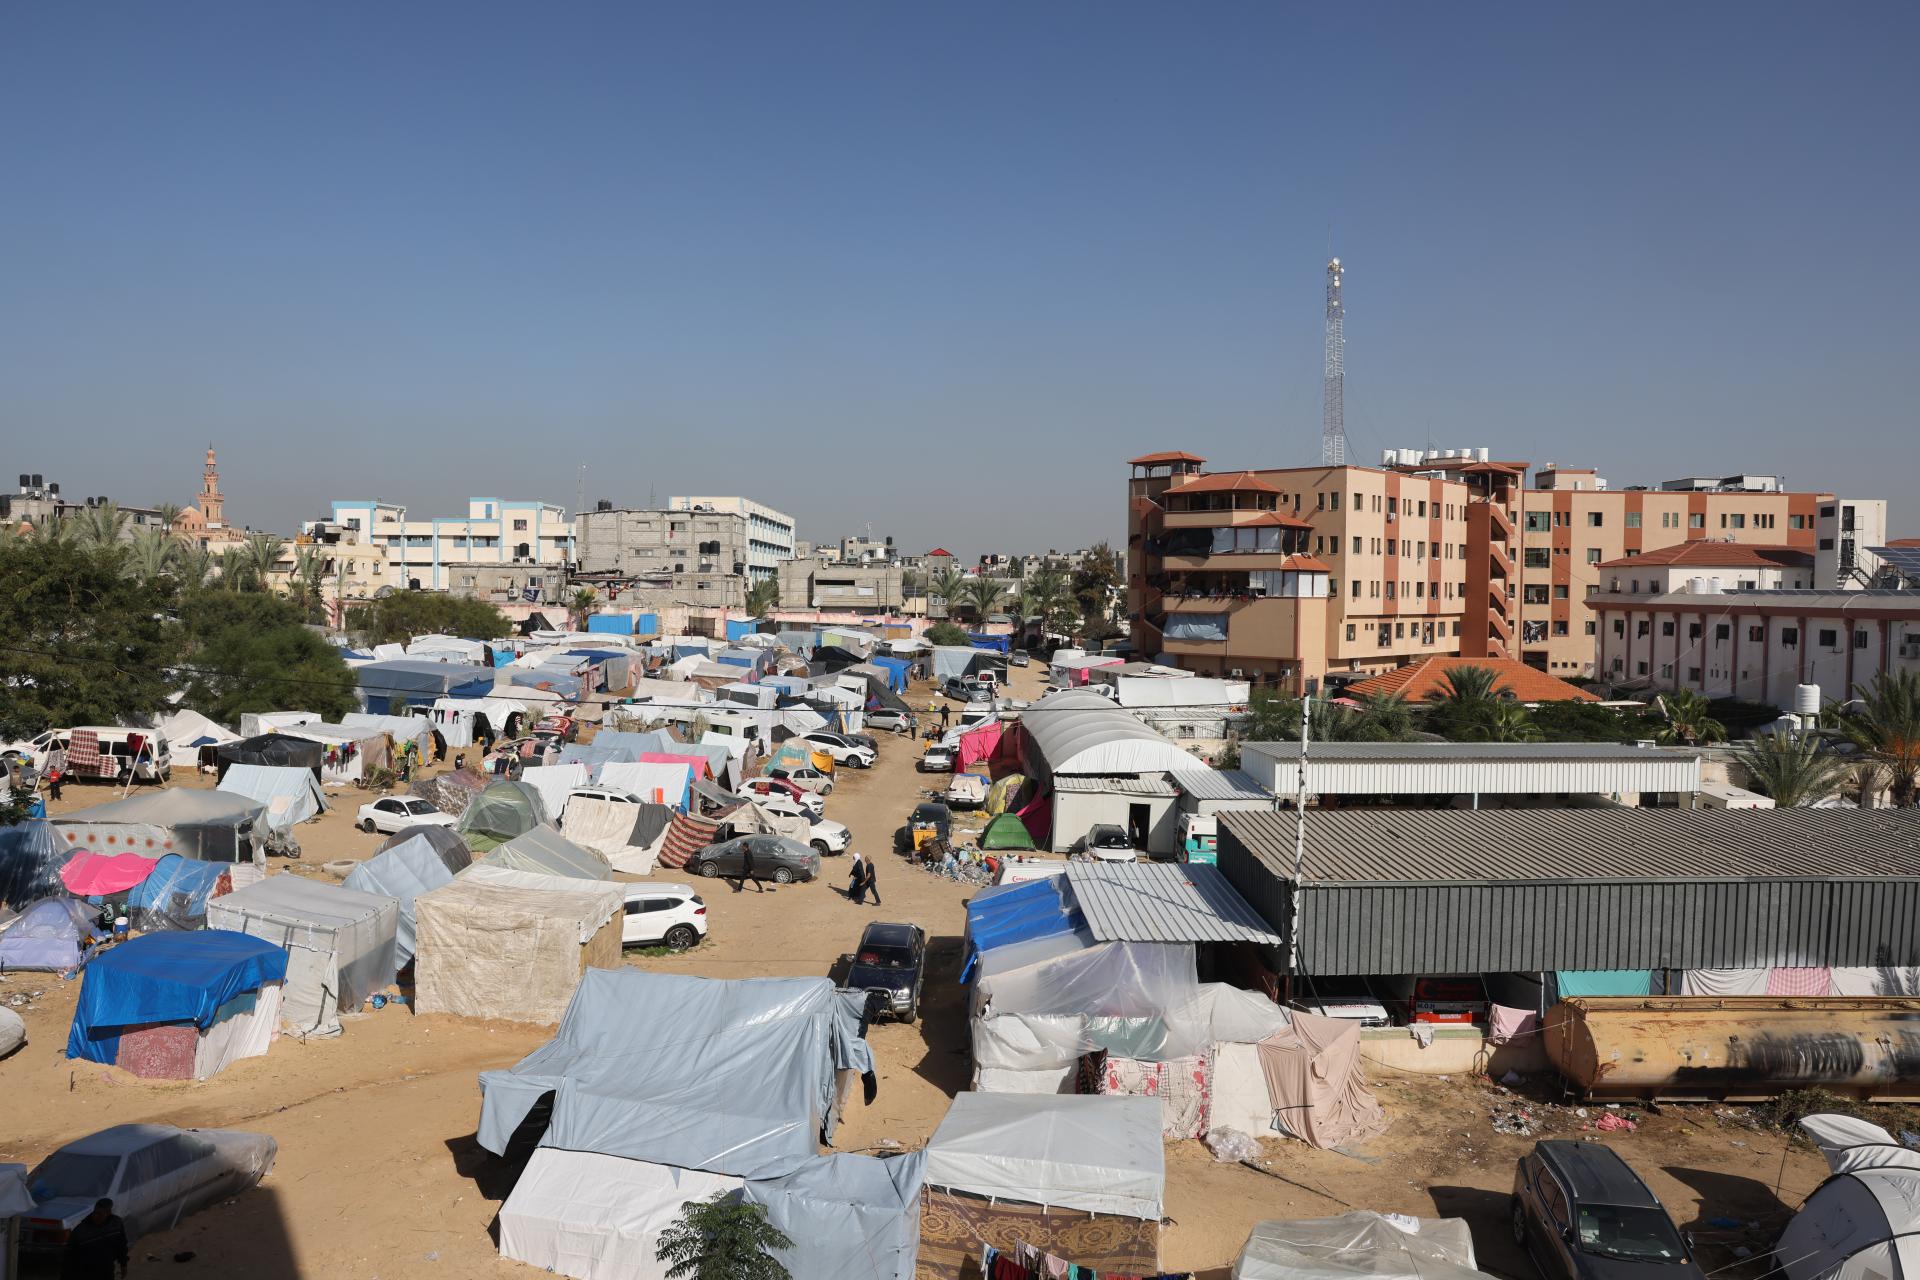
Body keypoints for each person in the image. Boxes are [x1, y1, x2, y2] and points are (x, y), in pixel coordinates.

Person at [62, 1197, 128, 1280]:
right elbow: (69, 1258)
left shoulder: (116, 1224)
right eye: (95, 1213)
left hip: (107, 1271)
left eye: (100, 1214)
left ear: (108, 1213)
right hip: (85, 1274)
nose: (95, 1216)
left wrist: (123, 1264)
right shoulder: (80, 1231)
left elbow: (121, 1245)